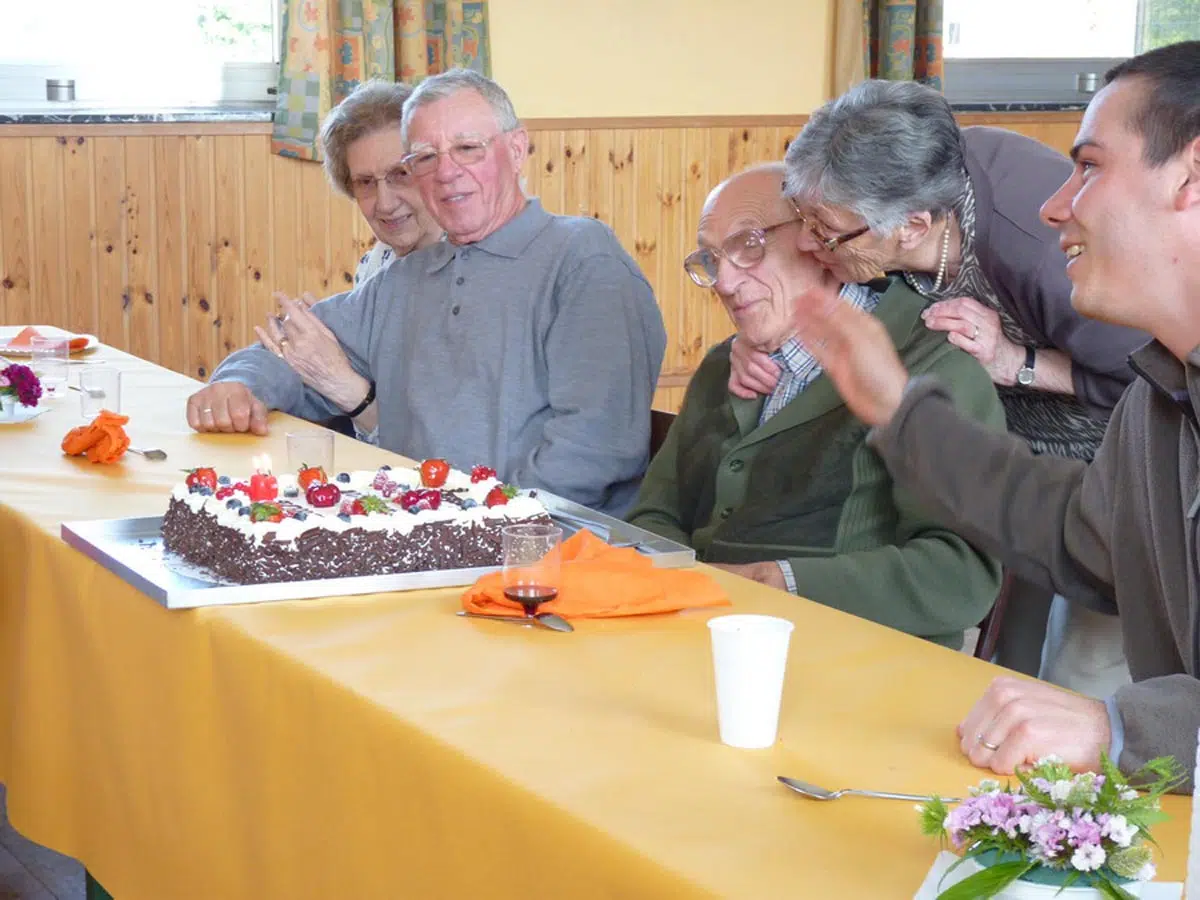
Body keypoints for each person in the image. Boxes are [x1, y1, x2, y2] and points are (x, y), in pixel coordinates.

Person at [782, 41, 1200, 788]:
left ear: (1191, 177)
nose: (1054, 205)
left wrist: (1121, 728)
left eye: (1090, 166)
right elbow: (1081, 537)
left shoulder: (1054, 280)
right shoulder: (1160, 395)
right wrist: (899, 412)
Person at [727, 79, 1151, 692]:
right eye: (803, 220)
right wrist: (756, 338)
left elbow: (1152, 380)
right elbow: (821, 293)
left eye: (824, 231)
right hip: (999, 461)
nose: (805, 242)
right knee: (1014, 661)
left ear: (912, 226)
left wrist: (1018, 361)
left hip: (1112, 465)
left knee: (1082, 671)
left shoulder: (1037, 248)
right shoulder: (882, 196)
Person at [187, 69, 667, 516]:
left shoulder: (583, 260)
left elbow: (592, 450)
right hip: (420, 534)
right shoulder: (405, 279)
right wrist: (237, 386)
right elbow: (288, 346)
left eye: (467, 148)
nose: (446, 172)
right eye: (425, 158)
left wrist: (485, 523)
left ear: (517, 149)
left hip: (546, 548)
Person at [625, 163, 1005, 650]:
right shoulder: (725, 364)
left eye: (748, 245)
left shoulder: (932, 364)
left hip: (858, 661)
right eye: (712, 258)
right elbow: (655, 513)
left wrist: (776, 581)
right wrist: (679, 592)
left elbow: (959, 575)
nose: (723, 281)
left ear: (817, 239)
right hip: (705, 643)